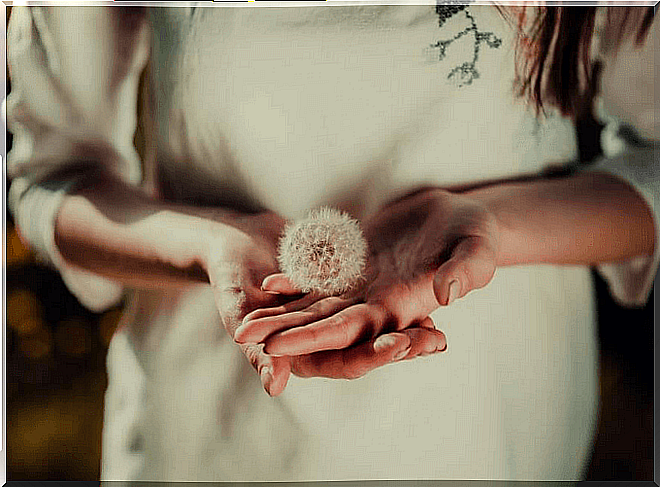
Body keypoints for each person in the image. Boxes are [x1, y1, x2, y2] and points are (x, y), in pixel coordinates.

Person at [6, 3, 655, 481]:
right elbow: (54, 177)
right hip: (214, 437)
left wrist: (494, 224)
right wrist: (209, 244)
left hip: (493, 428)